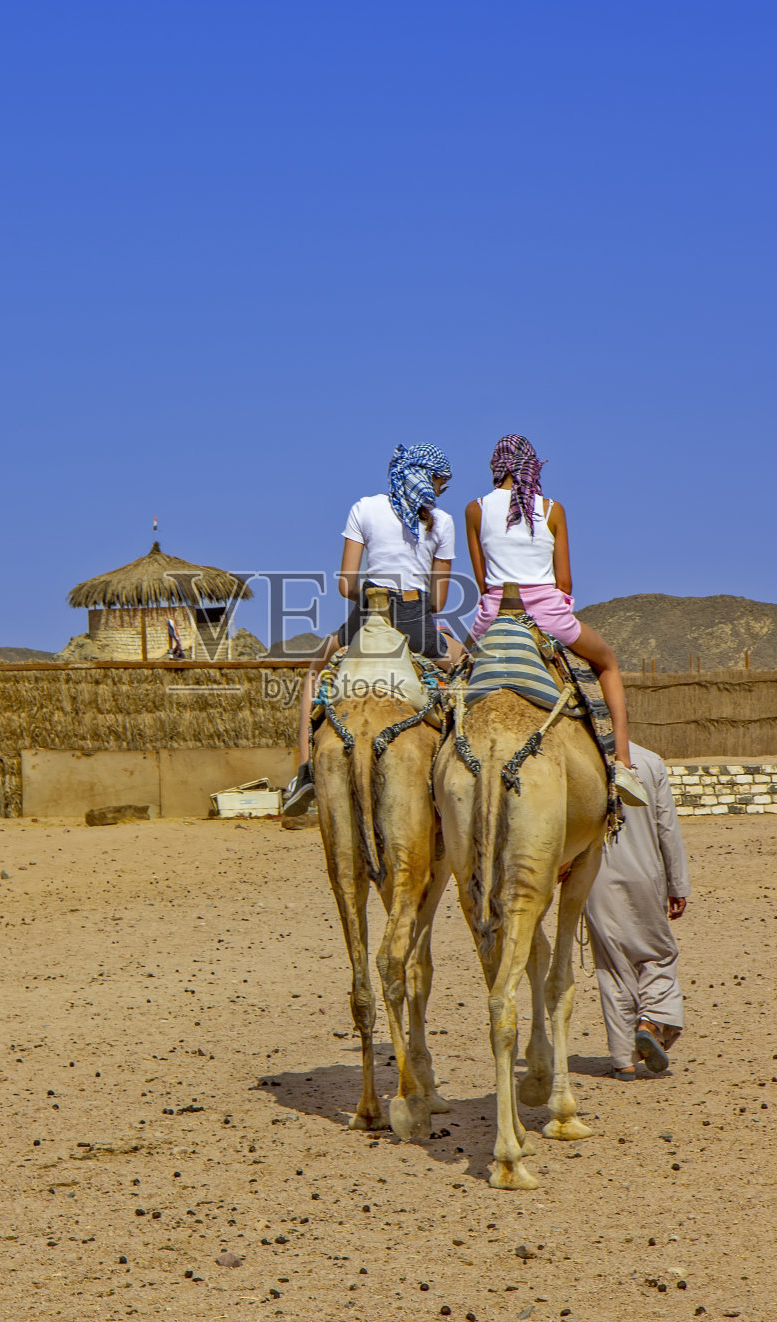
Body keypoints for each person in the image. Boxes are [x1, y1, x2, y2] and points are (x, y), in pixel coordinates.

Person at [465, 432, 647, 806]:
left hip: (495, 614)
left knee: (455, 675)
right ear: (532, 465)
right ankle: (623, 762)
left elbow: (483, 581)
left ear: (495, 467)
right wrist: (555, 605)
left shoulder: (475, 510)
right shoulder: (552, 510)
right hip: (547, 615)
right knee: (608, 661)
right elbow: (564, 581)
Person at [282, 442, 461, 817]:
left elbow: (346, 585)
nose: (441, 491)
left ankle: (305, 774)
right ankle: (465, 768)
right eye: (441, 483)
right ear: (428, 478)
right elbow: (439, 603)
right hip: (416, 616)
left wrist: (376, 595)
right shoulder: (443, 521)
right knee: (467, 670)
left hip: (368, 612)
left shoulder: (363, 508)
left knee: (315, 672)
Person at [584, 742, 690, 1079]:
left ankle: (623, 1061)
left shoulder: (580, 757)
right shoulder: (648, 762)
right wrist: (678, 884)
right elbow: (667, 828)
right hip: (646, 874)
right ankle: (651, 1021)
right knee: (658, 954)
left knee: (612, 965)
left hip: (595, 878)